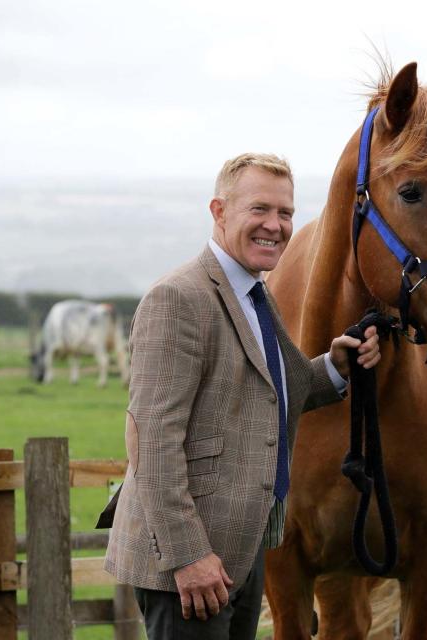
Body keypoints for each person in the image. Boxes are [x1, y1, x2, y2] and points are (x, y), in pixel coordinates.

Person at [103, 153, 380, 639]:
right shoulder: (179, 298)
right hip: (189, 565)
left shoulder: (254, 293)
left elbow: (280, 392)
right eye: (259, 210)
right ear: (219, 211)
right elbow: (152, 441)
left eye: (286, 213)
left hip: (241, 552)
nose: (275, 226)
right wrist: (190, 557)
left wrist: (337, 366)